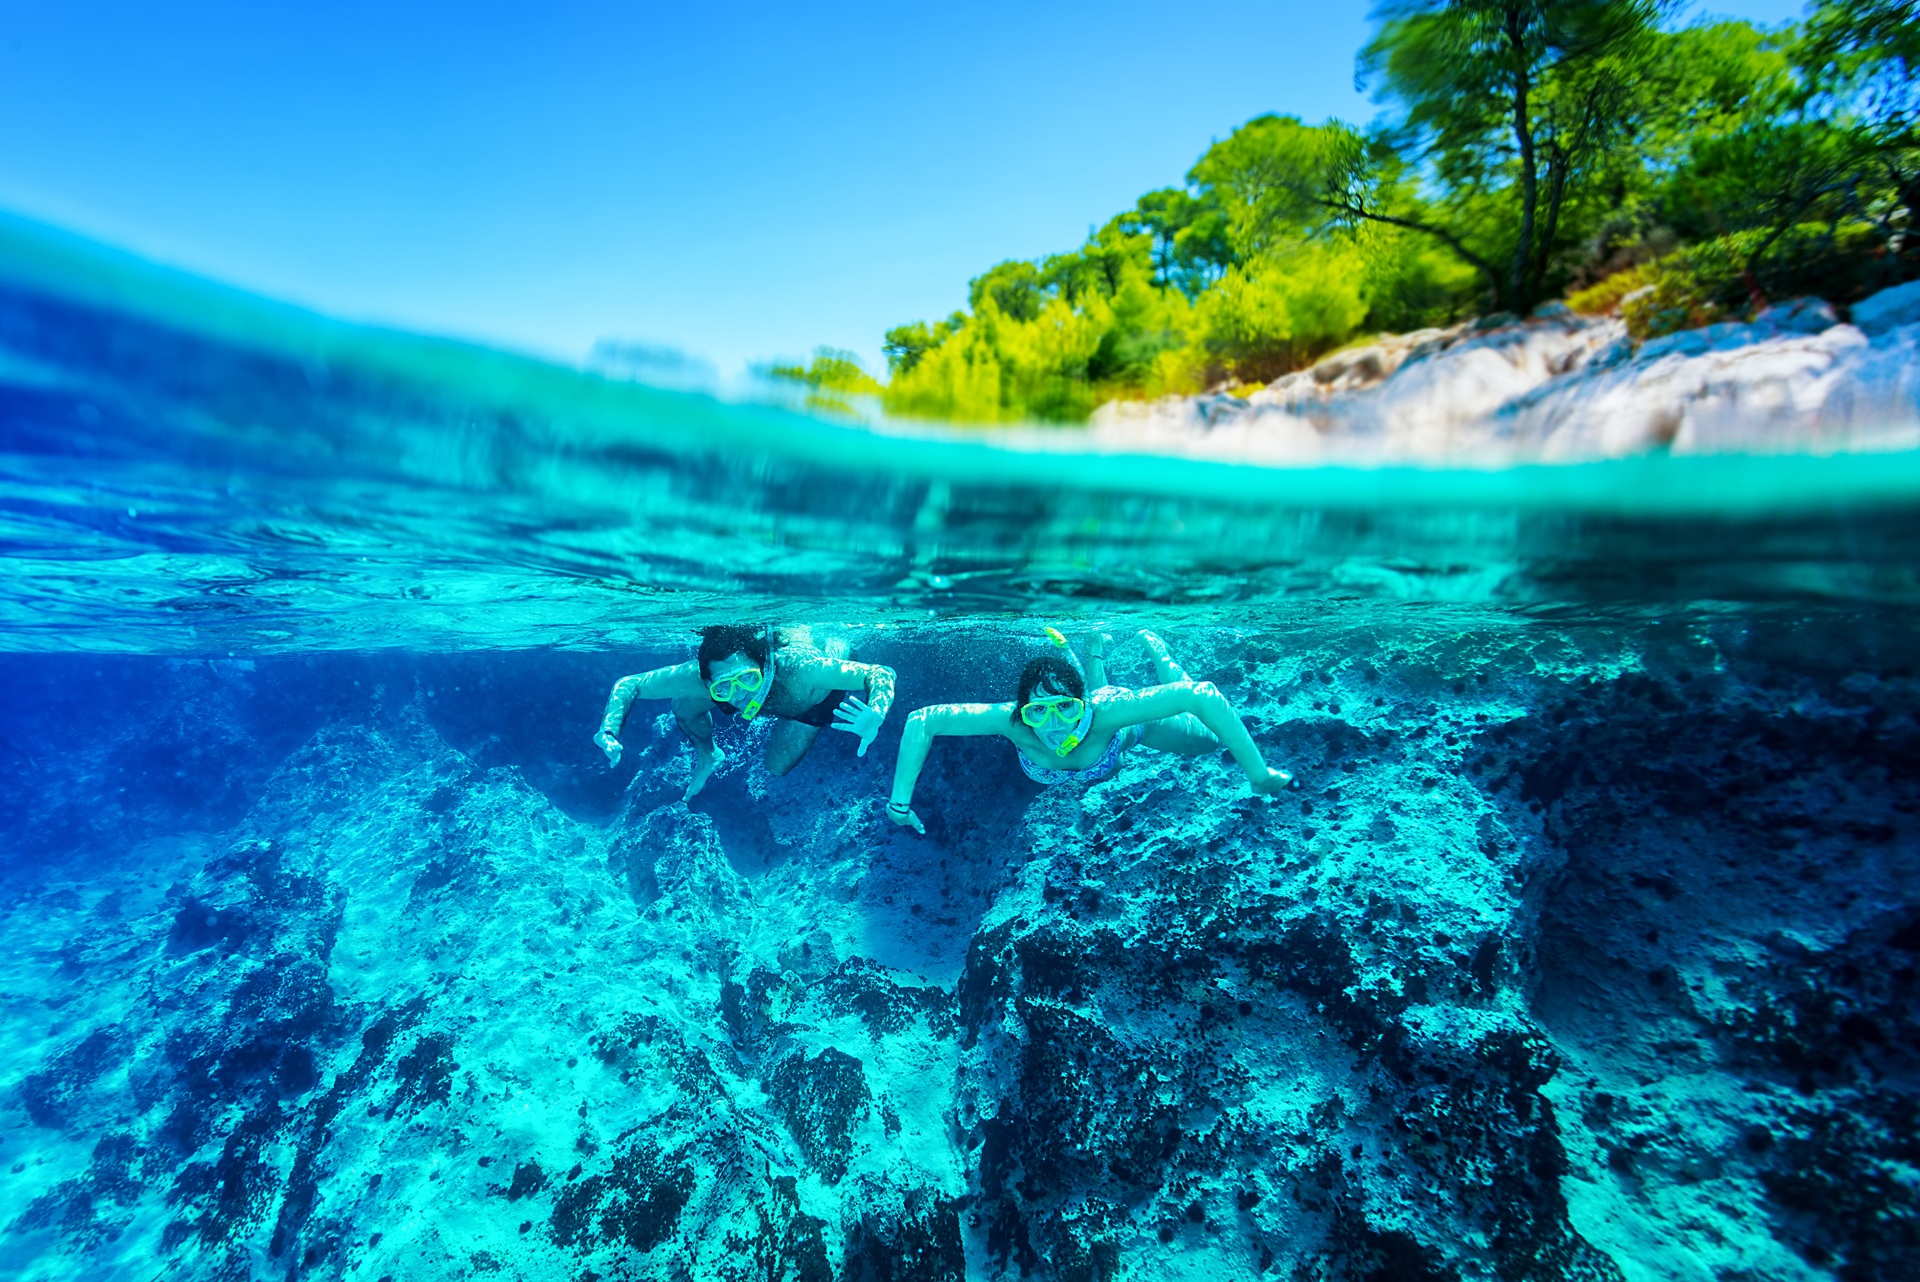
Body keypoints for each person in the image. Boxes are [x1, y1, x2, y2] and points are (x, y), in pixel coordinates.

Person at [885, 629, 1291, 833]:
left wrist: (1258, 773)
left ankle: (1159, 651)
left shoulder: (1106, 712)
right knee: (1092, 693)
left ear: (1082, 708)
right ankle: (1094, 644)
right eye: (1037, 712)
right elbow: (923, 719)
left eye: (1066, 708)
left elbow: (1199, 694)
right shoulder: (1012, 722)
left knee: (1208, 740)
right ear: (1022, 712)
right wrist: (898, 806)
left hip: (1129, 730)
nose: (1055, 725)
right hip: (1095, 720)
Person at [595, 625, 896, 800]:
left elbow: (881, 673)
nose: (741, 695)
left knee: (776, 767)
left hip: (810, 703)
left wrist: (877, 711)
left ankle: (803, 718)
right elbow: (630, 683)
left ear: (763, 665)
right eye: (723, 688)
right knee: (682, 705)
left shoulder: (802, 673)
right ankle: (708, 755)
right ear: (708, 681)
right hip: (775, 685)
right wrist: (608, 730)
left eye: (749, 678)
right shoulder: (700, 677)